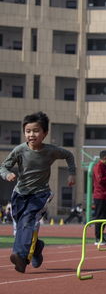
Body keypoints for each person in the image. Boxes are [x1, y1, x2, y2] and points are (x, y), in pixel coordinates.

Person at [0, 111, 76, 273]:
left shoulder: (51, 151)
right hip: (20, 193)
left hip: (40, 194)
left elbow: (69, 155)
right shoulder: (19, 150)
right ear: (24, 133)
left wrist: (71, 173)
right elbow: (3, 166)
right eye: (28, 131)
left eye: (36, 131)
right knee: (19, 228)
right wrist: (7, 174)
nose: (31, 134)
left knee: (27, 221)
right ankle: (36, 248)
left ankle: (20, 256)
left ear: (45, 133)